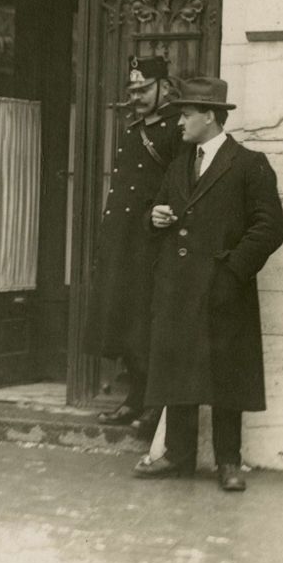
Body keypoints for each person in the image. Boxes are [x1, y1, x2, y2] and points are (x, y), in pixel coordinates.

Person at [134, 77, 283, 492]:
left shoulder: (249, 164)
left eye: (185, 114)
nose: (179, 122)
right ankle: (179, 457)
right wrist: (155, 217)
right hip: (178, 287)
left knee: (226, 377)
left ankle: (228, 462)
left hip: (223, 289)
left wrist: (232, 271)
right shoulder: (179, 163)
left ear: (210, 117)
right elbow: (154, 208)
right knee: (179, 371)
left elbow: (269, 228)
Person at [84, 55, 185, 439]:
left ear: (164, 87)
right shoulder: (134, 130)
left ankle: (154, 405)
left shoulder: (176, 131)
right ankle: (135, 396)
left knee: (147, 324)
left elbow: (179, 186)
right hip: (122, 240)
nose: (137, 97)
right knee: (123, 320)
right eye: (132, 90)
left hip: (151, 241)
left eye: (144, 89)